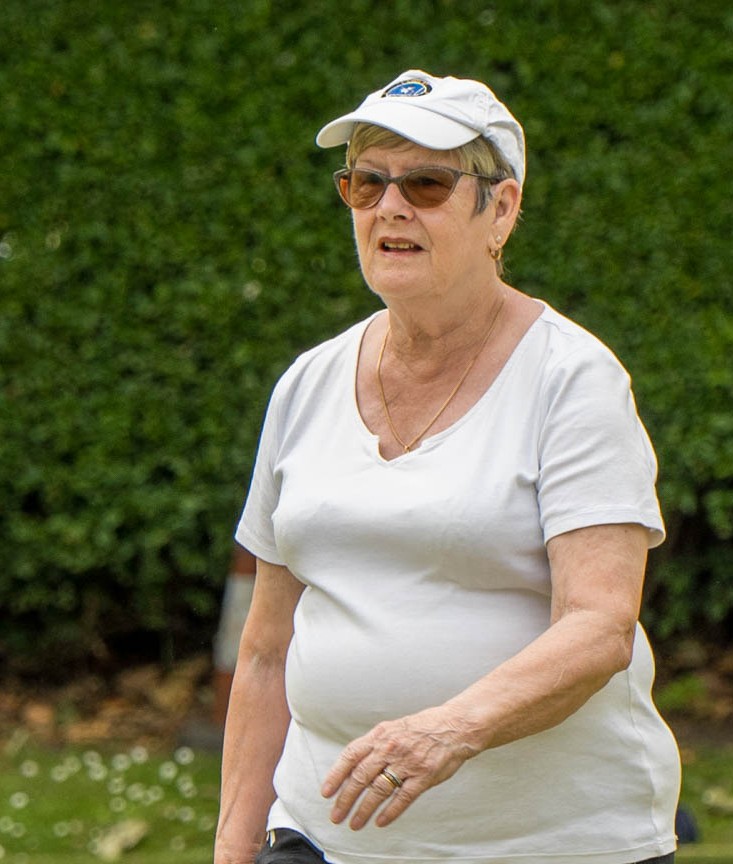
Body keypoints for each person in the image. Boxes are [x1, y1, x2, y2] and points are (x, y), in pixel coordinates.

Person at [215, 69, 681, 864]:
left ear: (499, 210)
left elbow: (599, 626)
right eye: (366, 184)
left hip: (549, 845)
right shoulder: (308, 382)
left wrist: (447, 730)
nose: (390, 206)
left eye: (426, 183)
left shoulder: (573, 379)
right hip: (321, 837)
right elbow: (266, 649)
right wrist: (233, 844)